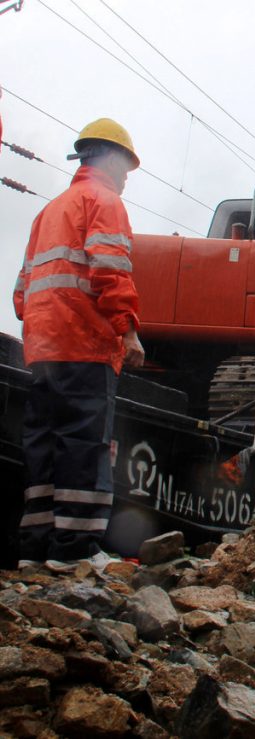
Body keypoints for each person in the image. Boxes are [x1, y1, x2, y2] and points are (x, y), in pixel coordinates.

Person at [12, 118, 145, 567]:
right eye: (126, 166)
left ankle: (36, 549)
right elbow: (110, 272)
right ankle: (75, 552)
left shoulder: (47, 212)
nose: (127, 177)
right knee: (84, 445)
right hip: (86, 343)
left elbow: (20, 293)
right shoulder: (103, 202)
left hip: (43, 348)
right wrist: (128, 330)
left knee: (45, 444)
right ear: (110, 159)